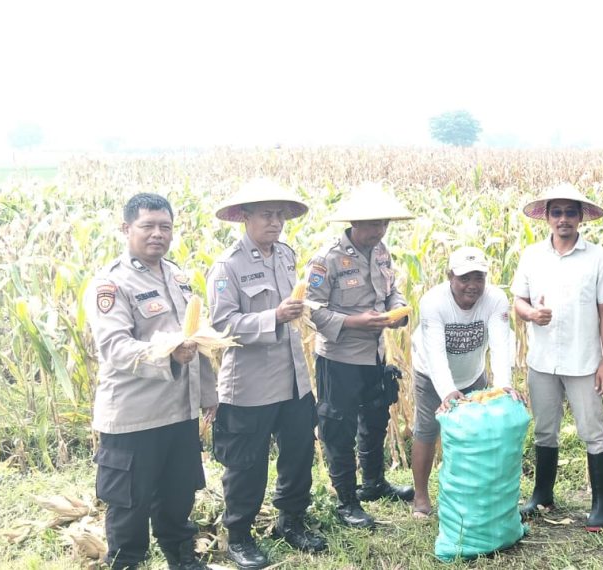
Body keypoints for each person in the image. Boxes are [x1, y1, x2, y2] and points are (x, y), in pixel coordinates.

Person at [84, 193, 216, 570]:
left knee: (178, 493)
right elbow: (115, 347)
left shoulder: (177, 276)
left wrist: (209, 393)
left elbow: (196, 338)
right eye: (148, 226)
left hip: (179, 411)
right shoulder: (111, 284)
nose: (158, 234)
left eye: (165, 227)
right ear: (126, 229)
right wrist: (168, 354)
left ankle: (182, 557)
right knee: (129, 502)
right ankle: (127, 562)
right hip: (134, 416)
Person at [206, 179, 326, 568]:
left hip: (293, 378)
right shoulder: (228, 266)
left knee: (298, 454)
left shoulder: (286, 256)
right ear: (245, 217)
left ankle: (291, 521)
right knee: (247, 464)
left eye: (279, 215)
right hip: (250, 385)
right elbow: (222, 324)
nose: (275, 222)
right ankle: (239, 536)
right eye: (265, 215)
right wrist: (273, 316)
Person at [306, 183, 415, 530]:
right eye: (371, 224)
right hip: (339, 358)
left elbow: (392, 290)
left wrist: (397, 312)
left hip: (375, 355)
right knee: (338, 428)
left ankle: (374, 483)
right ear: (353, 223)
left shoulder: (381, 252)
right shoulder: (327, 259)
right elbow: (311, 311)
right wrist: (355, 322)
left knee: (376, 418)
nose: (378, 230)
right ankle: (346, 500)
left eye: (383, 223)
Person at [513, 183, 603, 532]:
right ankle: (542, 494)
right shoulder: (532, 256)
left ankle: (601, 504)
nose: (563, 219)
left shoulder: (597, 258)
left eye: (570, 213)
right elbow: (519, 301)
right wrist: (531, 314)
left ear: (580, 218)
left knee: (593, 431)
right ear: (546, 217)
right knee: (545, 430)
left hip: (583, 360)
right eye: (556, 212)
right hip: (543, 360)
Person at [409, 246, 523, 517]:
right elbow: (435, 353)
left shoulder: (495, 299)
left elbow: (500, 343)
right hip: (430, 374)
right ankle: (421, 496)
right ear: (450, 276)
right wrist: (448, 391)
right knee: (427, 430)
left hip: (473, 374)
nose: (472, 285)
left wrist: (502, 386)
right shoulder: (433, 302)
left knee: (475, 433)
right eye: (464, 278)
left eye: (478, 278)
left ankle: (474, 493)